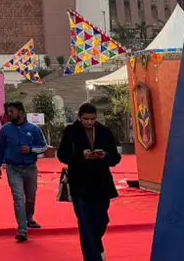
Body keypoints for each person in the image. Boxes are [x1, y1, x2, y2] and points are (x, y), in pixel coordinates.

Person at [57, 103, 122, 261]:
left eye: (92, 119)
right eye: (86, 119)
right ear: (79, 117)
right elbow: (62, 155)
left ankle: (97, 245)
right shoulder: (71, 132)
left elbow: (116, 157)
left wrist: (104, 155)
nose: (89, 122)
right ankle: (93, 257)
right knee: (86, 223)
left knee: (101, 220)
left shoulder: (104, 132)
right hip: (79, 183)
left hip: (101, 183)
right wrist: (81, 156)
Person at [0, 101, 48, 242]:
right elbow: (0, 149)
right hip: (13, 168)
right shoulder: (5, 130)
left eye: (12, 111)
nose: (9, 114)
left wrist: (31, 150)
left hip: (30, 168)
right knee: (18, 197)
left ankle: (29, 218)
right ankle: (22, 229)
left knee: (30, 197)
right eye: (8, 112)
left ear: (21, 112)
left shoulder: (34, 129)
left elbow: (44, 147)